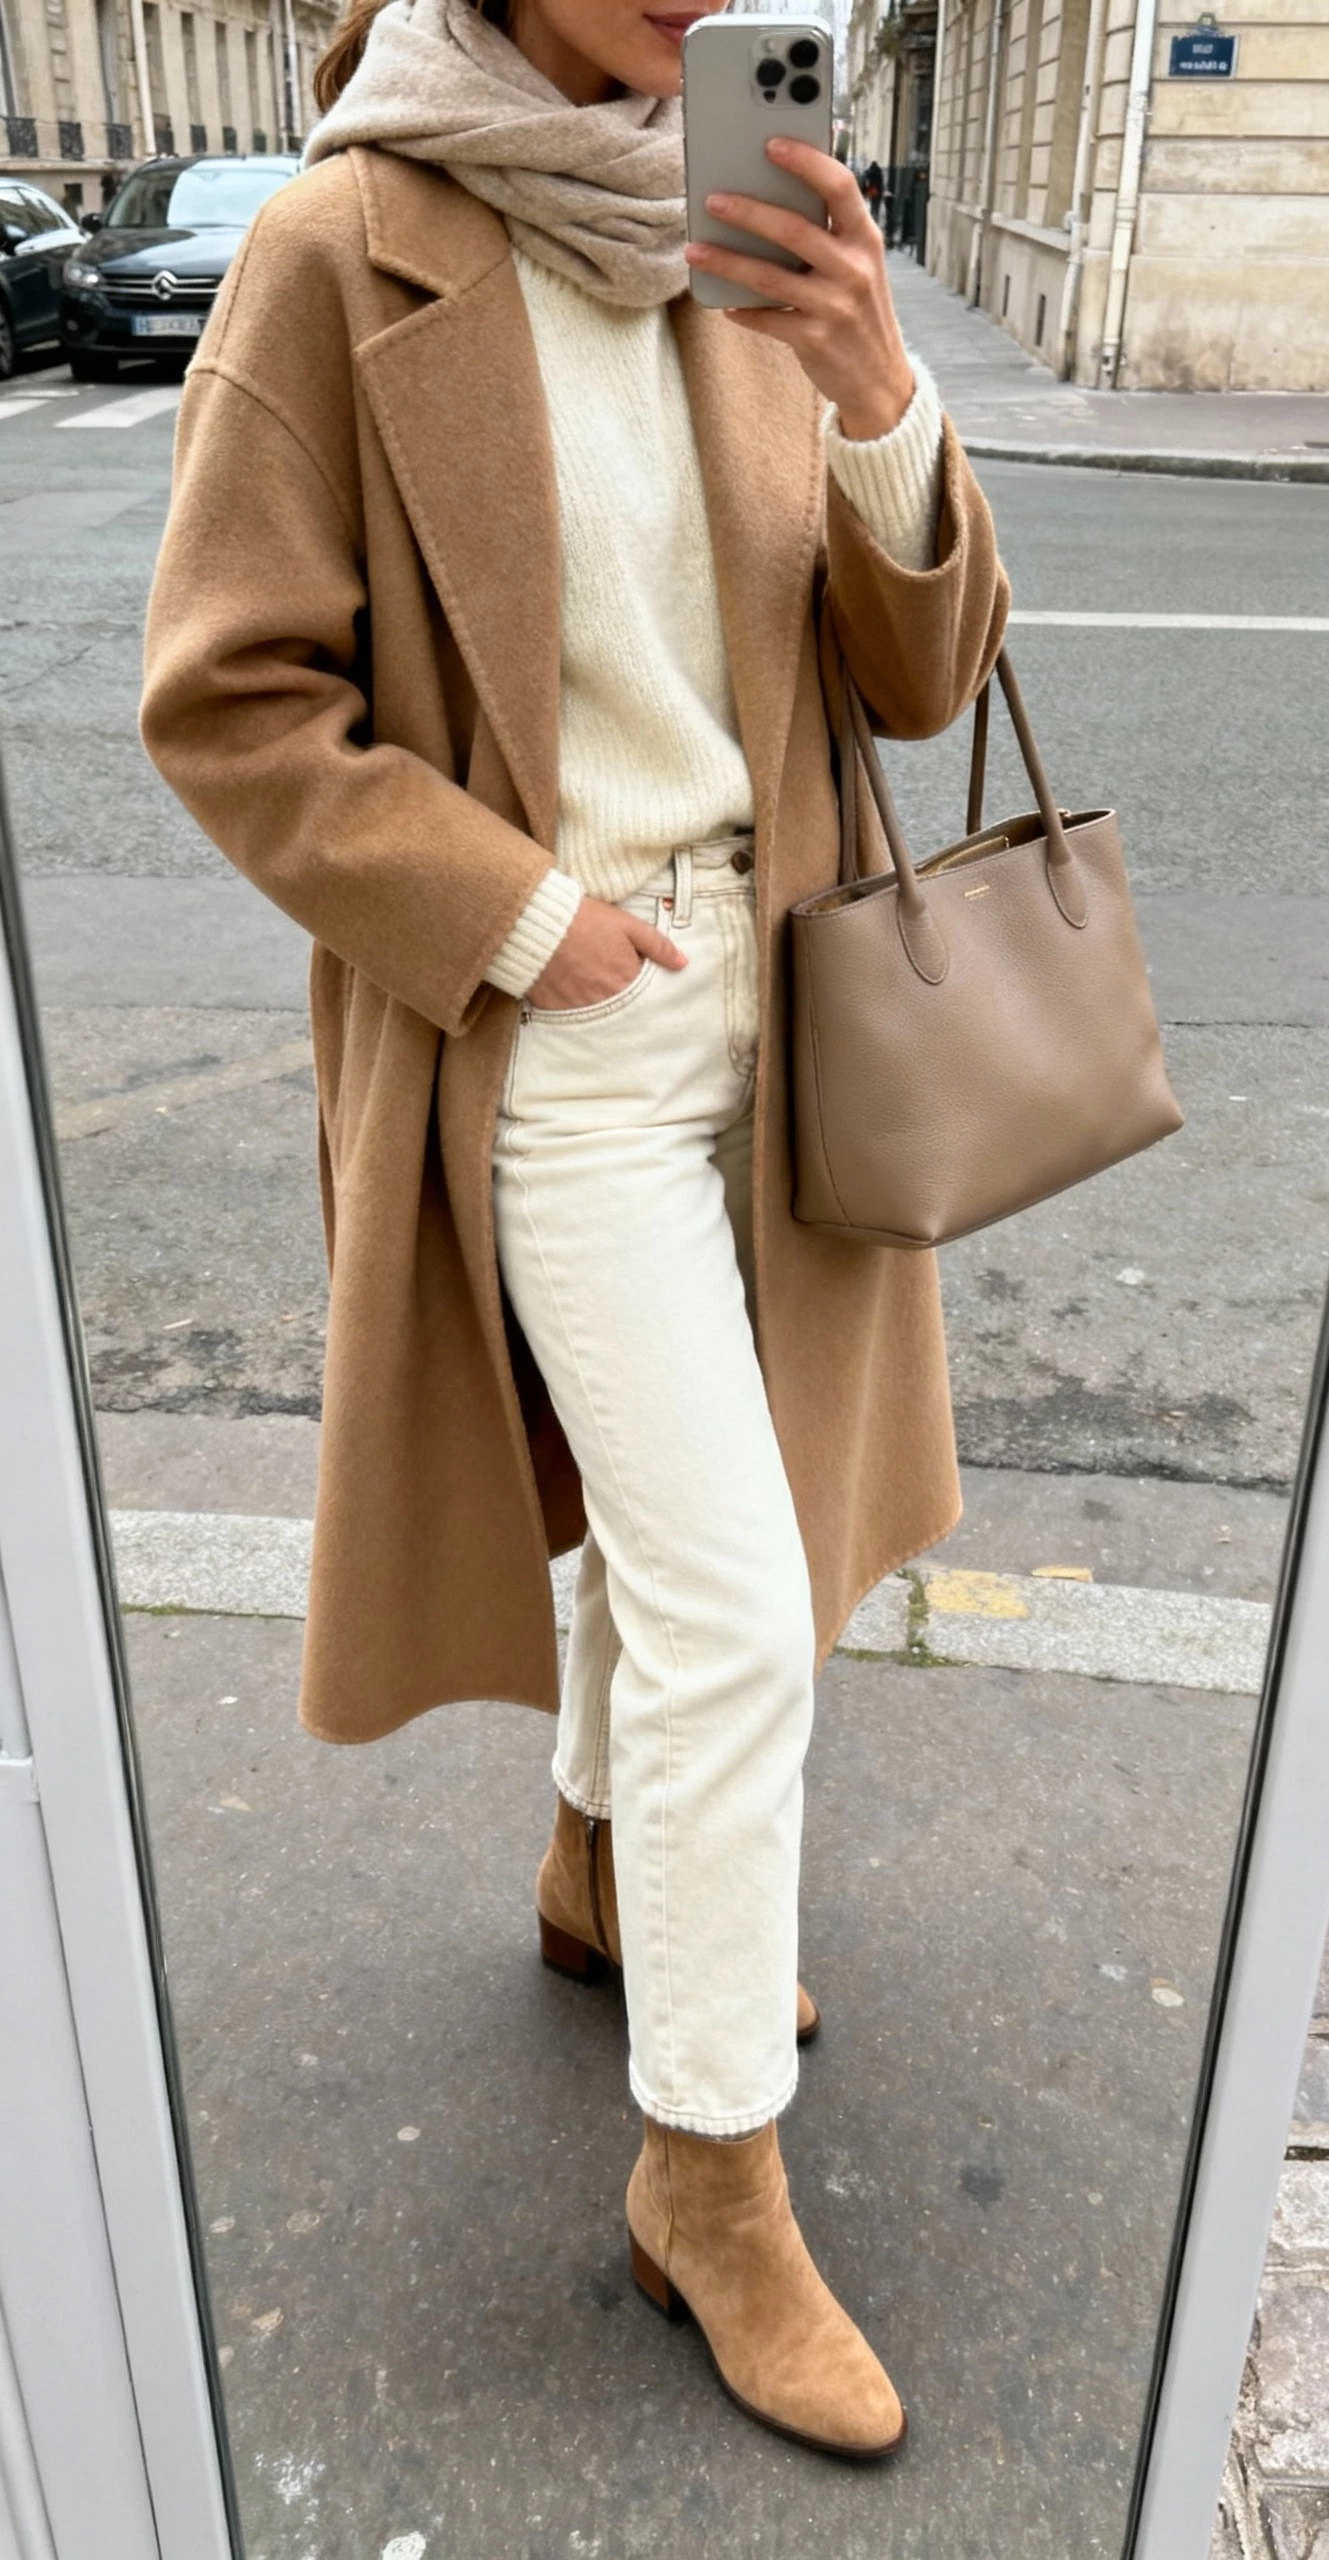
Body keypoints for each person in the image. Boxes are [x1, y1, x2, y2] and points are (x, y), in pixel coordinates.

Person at [141, 0, 1007, 2463]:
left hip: (795, 1002)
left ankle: (604, 1866)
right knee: (740, 1600)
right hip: (563, 1026)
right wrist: (529, 924)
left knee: (679, 1531)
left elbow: (919, 682)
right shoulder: (344, 243)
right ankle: (706, 2179)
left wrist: (873, 386)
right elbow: (226, 697)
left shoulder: (730, 217)